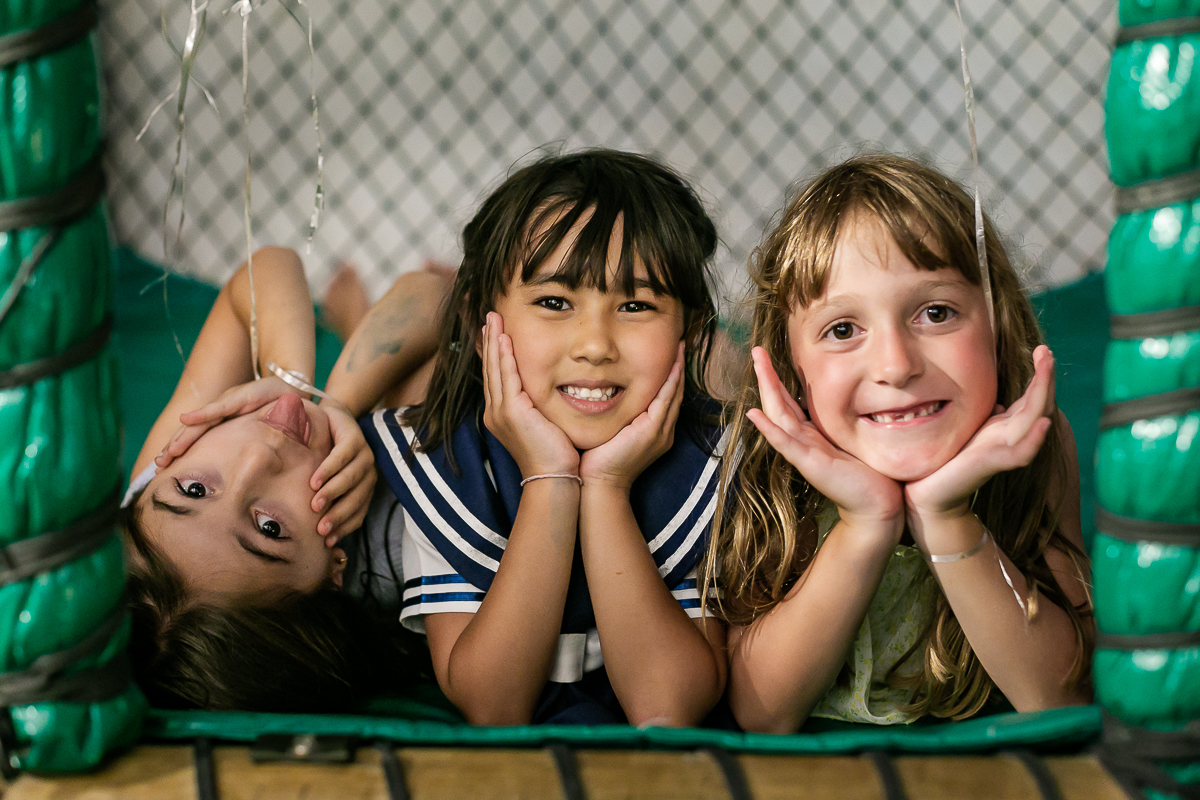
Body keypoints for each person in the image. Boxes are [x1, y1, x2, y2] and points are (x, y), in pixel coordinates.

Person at [706, 154, 1094, 733]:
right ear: (790, 369)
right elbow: (762, 714)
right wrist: (867, 522)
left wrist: (946, 516)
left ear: (999, 326)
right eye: (843, 330)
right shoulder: (767, 464)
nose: (895, 365)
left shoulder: (1037, 442)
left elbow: (1063, 698)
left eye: (936, 313)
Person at [362, 149, 730, 726]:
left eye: (636, 305)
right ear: (482, 325)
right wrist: (550, 480)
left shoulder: (715, 461)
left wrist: (607, 488)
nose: (595, 345)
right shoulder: (444, 460)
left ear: (692, 328)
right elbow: (493, 706)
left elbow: (667, 706)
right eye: (555, 302)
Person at [122, 247, 449, 711]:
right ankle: (356, 327)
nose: (258, 458)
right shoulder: (410, 537)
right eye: (268, 526)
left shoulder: (156, 491)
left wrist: (298, 388)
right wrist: (342, 406)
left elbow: (268, 266)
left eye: (195, 489)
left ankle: (355, 329)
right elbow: (438, 297)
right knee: (428, 381)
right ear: (333, 573)